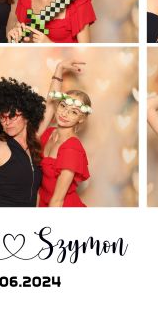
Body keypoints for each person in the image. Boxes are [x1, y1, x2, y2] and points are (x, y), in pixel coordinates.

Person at [0, 77, 46, 207]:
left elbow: (50, 107)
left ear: (27, 116)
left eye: (13, 116)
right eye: (2, 117)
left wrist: (59, 70)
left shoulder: (34, 144)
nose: (7, 122)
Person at [37, 61, 91, 207]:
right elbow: (50, 102)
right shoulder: (48, 133)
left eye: (74, 112)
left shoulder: (72, 148)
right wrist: (59, 68)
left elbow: (57, 200)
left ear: (81, 119)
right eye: (63, 106)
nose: (65, 114)